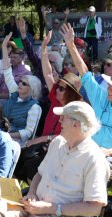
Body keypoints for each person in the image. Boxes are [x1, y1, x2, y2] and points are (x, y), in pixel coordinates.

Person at [62, 23, 112, 171]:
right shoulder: (101, 97)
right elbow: (85, 72)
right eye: (110, 85)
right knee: (61, 156)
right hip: (88, 149)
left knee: (86, 166)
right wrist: (70, 45)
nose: (109, 89)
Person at [14, 31, 84, 182]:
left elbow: (68, 137)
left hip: (59, 148)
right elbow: (47, 74)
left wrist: (42, 139)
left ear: (71, 92)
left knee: (32, 163)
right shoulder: (56, 99)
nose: (56, 90)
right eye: (57, 87)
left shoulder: (77, 109)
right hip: (44, 144)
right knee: (19, 156)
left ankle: (35, 191)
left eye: (61, 88)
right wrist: (44, 49)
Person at [0, 33, 42, 146]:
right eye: (20, 82)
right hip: (2, 132)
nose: (20, 84)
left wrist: (7, 135)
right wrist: (4, 47)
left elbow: (28, 132)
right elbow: (7, 71)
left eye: (24, 83)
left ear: (32, 89)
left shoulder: (34, 107)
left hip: (16, 142)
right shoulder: (15, 93)